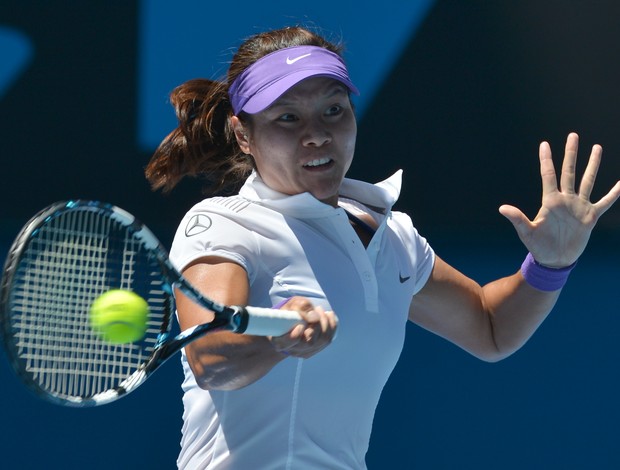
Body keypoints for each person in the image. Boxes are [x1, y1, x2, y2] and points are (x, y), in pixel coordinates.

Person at [145, 26, 620, 470]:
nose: (317, 134)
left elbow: (491, 328)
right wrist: (279, 340)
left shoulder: (392, 237)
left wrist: (551, 263)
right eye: (287, 118)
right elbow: (209, 357)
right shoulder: (223, 226)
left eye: (333, 109)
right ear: (243, 134)